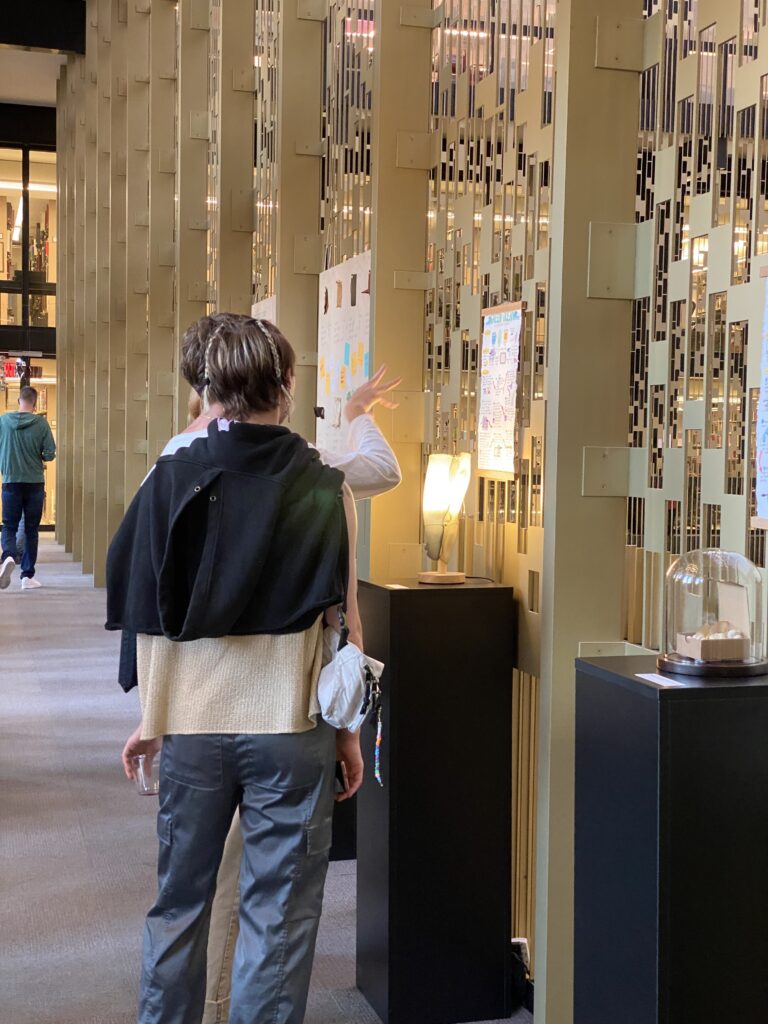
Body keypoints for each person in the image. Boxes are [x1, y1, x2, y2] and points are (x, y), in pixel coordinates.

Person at [126, 315, 402, 1024]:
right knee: (278, 918)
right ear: (284, 386)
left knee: (180, 905)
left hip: (191, 726)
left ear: (210, 388)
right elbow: (344, 620)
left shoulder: (169, 474)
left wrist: (150, 721)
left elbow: (152, 612)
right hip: (290, 726)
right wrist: (346, 733)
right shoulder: (322, 481)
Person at [0, 385, 56, 591]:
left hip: (11, 481)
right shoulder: (41, 424)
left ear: (19, 401)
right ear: (34, 403)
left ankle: (7, 556)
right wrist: (38, 454)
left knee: (9, 525)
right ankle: (27, 576)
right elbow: (50, 453)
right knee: (32, 530)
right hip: (34, 483)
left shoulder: (3, 421)